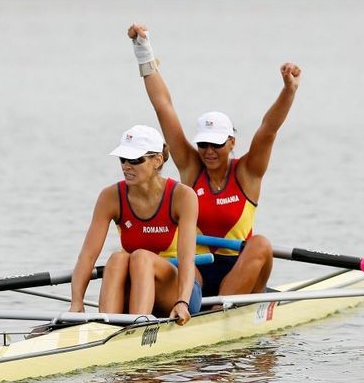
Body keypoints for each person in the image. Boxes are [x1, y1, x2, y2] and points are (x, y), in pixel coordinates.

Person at [127, 23, 302, 300]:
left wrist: (288, 91)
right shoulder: (191, 166)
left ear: (232, 143)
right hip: (195, 270)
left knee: (261, 244)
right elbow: (164, 107)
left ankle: (221, 311)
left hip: (240, 270)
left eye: (216, 144)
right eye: (203, 143)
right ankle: (197, 310)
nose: (208, 151)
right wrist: (143, 50)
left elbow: (268, 130)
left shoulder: (248, 172)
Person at [70, 125, 201, 325]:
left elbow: (186, 259)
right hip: (137, 283)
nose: (126, 166)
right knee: (117, 259)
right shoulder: (110, 196)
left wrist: (182, 301)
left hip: (179, 290)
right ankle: (106, 329)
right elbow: (87, 256)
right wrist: (76, 302)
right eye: (123, 159)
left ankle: (137, 328)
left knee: (140, 257)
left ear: (157, 160)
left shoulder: (182, 196)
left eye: (134, 160)